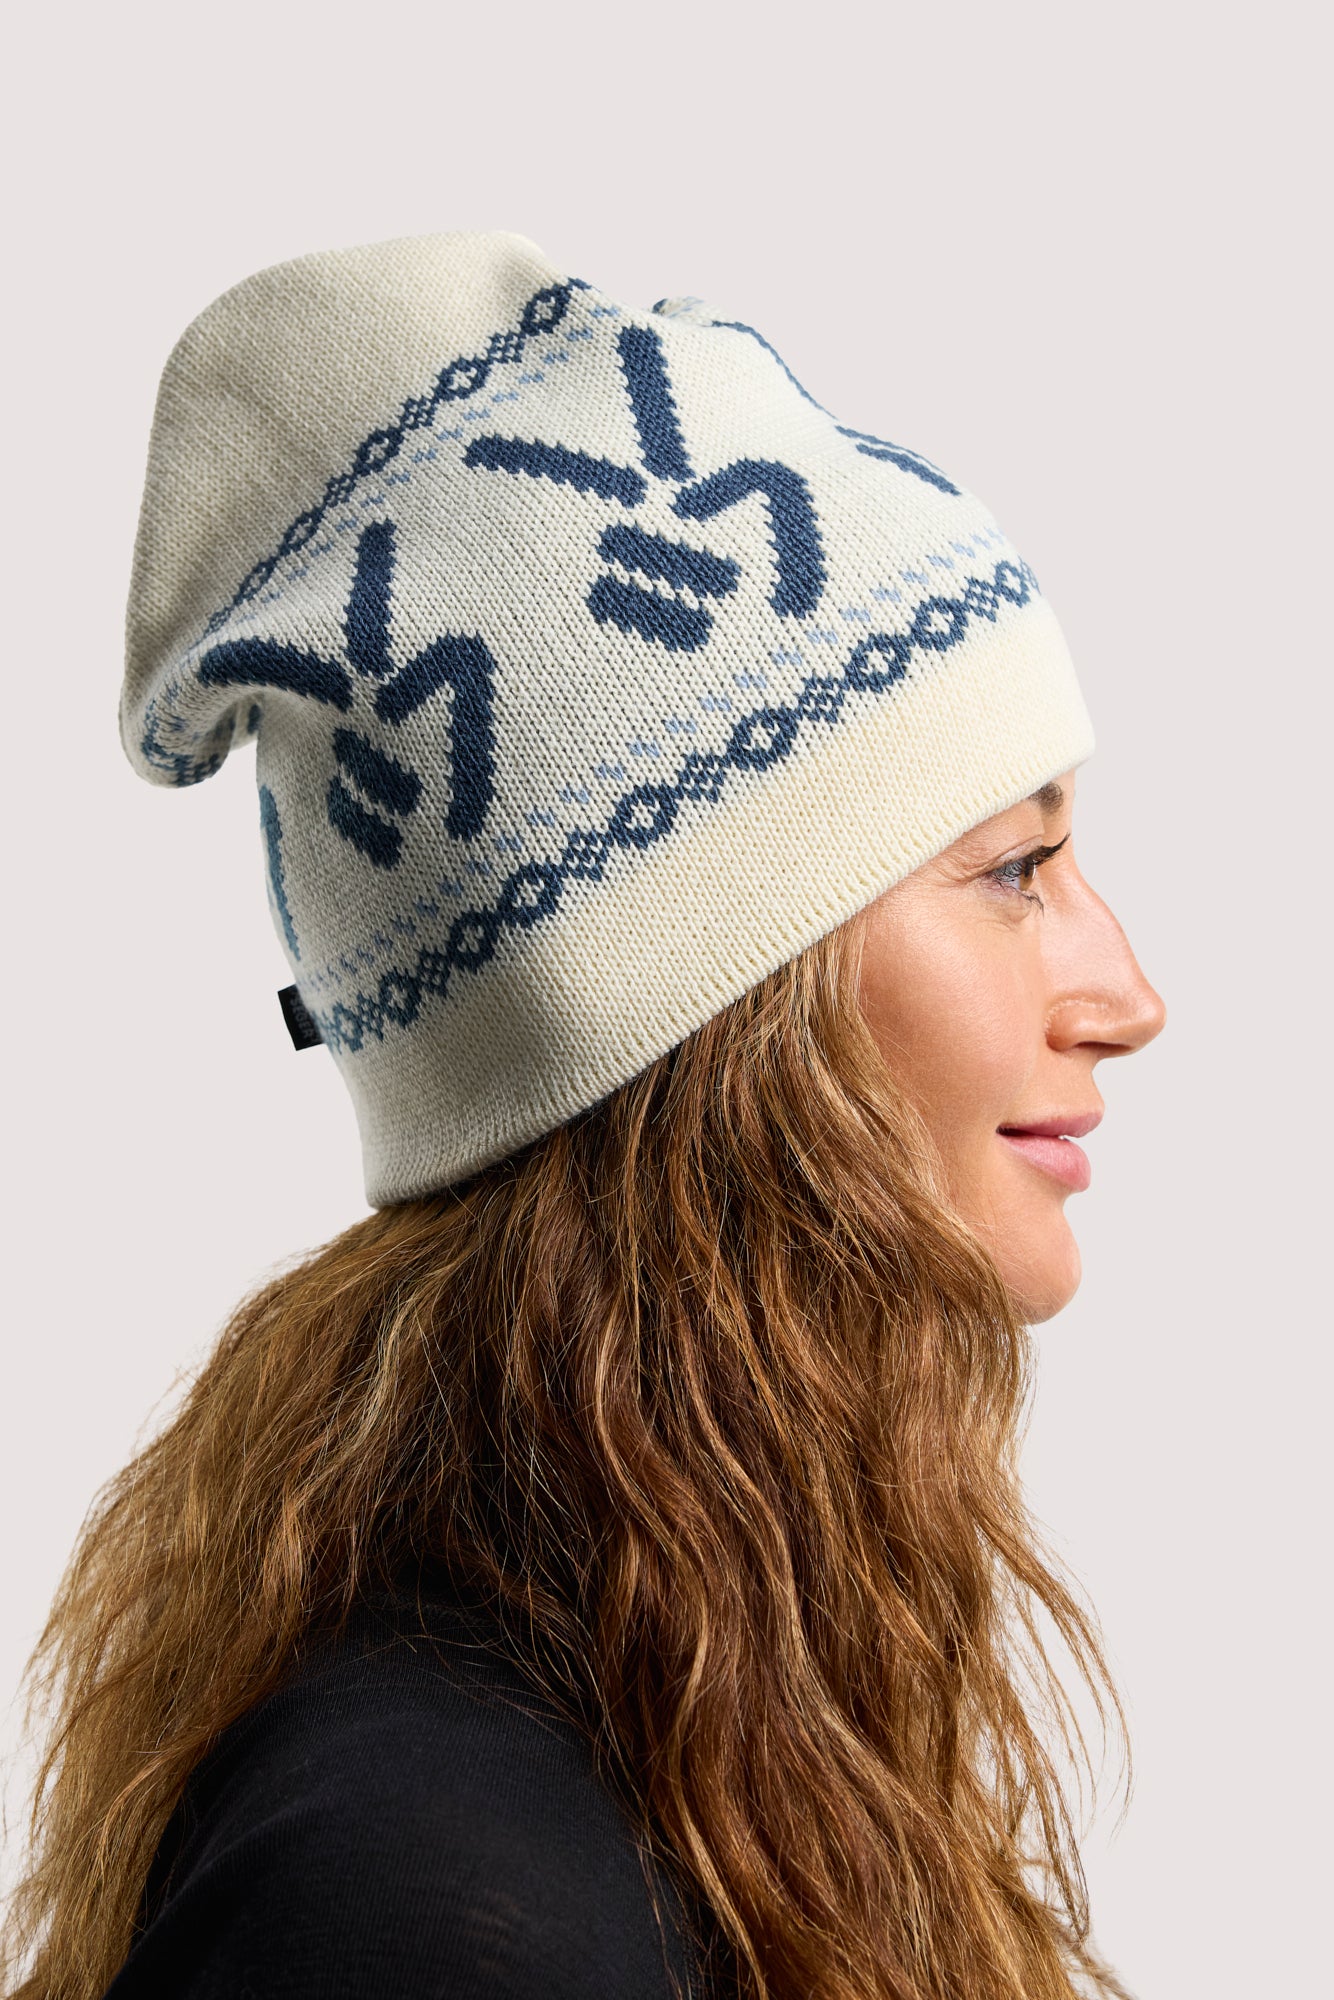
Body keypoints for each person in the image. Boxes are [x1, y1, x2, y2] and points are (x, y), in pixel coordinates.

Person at [5, 231, 1164, 2000]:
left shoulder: (690, 1740)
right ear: (709, 1003)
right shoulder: (424, 1890)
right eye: (1014, 868)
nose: (1127, 996)